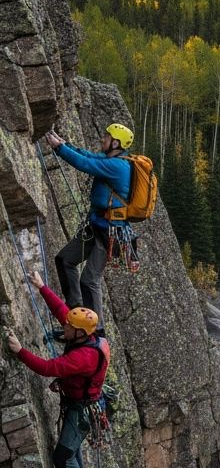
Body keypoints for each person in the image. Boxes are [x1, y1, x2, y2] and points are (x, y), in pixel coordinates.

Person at [4, 270, 110, 468]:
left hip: (82, 409)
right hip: (83, 405)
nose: (64, 327)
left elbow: (48, 368)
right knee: (69, 450)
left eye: (68, 327)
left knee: (62, 456)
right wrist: (42, 286)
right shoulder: (86, 335)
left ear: (80, 333)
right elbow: (63, 311)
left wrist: (19, 351)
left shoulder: (83, 357)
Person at [46, 123, 134, 332]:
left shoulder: (118, 166)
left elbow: (86, 164)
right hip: (97, 227)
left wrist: (59, 149)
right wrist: (64, 144)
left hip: (111, 233)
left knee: (89, 279)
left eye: (106, 137)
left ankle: (96, 330)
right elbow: (89, 156)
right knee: (65, 260)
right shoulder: (111, 159)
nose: (102, 139)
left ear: (115, 142)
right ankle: (75, 313)